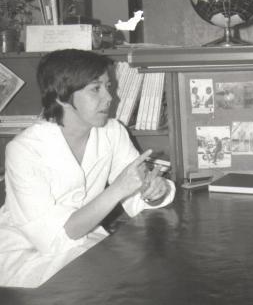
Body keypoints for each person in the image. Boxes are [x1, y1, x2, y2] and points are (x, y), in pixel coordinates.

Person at [0, 49, 176, 288]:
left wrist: (153, 191)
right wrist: (116, 190)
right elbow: (53, 239)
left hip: (81, 241)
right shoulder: (24, 150)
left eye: (108, 86)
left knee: (149, 271)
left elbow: (137, 198)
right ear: (62, 95)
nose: (109, 97)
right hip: (26, 252)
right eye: (96, 89)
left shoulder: (112, 132)